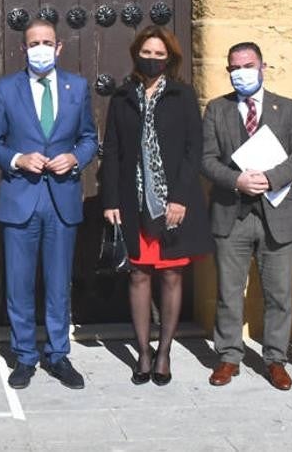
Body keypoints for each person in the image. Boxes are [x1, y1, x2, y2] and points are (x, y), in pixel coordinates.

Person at [0, 19, 98, 390]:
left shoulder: (76, 87)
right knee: (19, 283)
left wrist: (75, 159)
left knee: (58, 283)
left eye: (47, 42)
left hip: (61, 198)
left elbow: (89, 138)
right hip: (20, 198)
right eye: (34, 43)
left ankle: (59, 354)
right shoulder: (6, 89)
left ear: (59, 47)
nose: (41, 48)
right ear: (23, 48)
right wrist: (17, 159)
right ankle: (25, 356)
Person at [99, 26, 211, 386]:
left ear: (170, 58)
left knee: (172, 274)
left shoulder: (182, 95)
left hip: (173, 203)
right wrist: (111, 200)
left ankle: (164, 352)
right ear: (136, 54)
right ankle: (143, 352)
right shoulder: (122, 97)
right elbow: (112, 151)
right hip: (134, 200)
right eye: (147, 53)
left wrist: (179, 197)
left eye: (159, 54)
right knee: (139, 274)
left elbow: (195, 149)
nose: (152, 59)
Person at [201, 42, 292, 391]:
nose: (241, 73)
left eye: (247, 65)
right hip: (231, 213)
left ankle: (275, 359)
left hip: (277, 213)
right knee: (229, 291)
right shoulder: (216, 110)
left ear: (263, 67)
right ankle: (229, 356)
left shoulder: (288, 108)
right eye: (234, 67)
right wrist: (235, 180)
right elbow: (206, 159)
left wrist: (272, 178)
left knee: (278, 293)